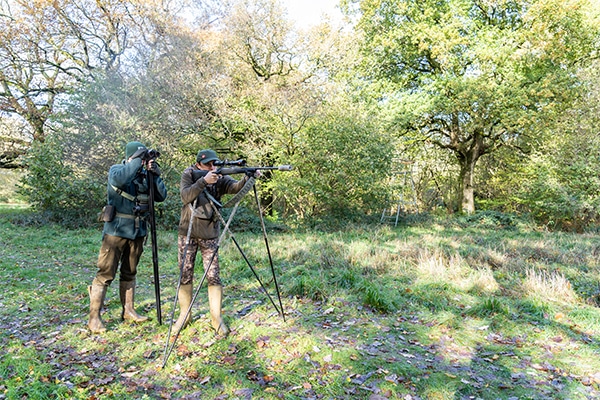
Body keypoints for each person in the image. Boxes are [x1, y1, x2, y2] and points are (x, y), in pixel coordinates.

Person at [173, 149, 258, 337]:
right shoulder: (189, 174)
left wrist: (248, 178)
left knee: (213, 276)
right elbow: (185, 196)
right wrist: (204, 181)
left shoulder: (219, 176)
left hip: (210, 234)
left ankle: (216, 318)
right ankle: (184, 315)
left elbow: (235, 188)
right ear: (198, 165)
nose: (212, 167)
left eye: (215, 164)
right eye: (208, 165)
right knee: (185, 274)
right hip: (188, 232)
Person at [87, 141, 168, 334]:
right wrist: (138, 160)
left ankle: (128, 310)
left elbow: (161, 196)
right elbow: (122, 180)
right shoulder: (118, 170)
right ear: (133, 157)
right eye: (142, 157)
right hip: (115, 231)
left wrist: (155, 176)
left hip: (138, 231)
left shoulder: (144, 175)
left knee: (130, 272)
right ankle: (94, 318)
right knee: (106, 273)